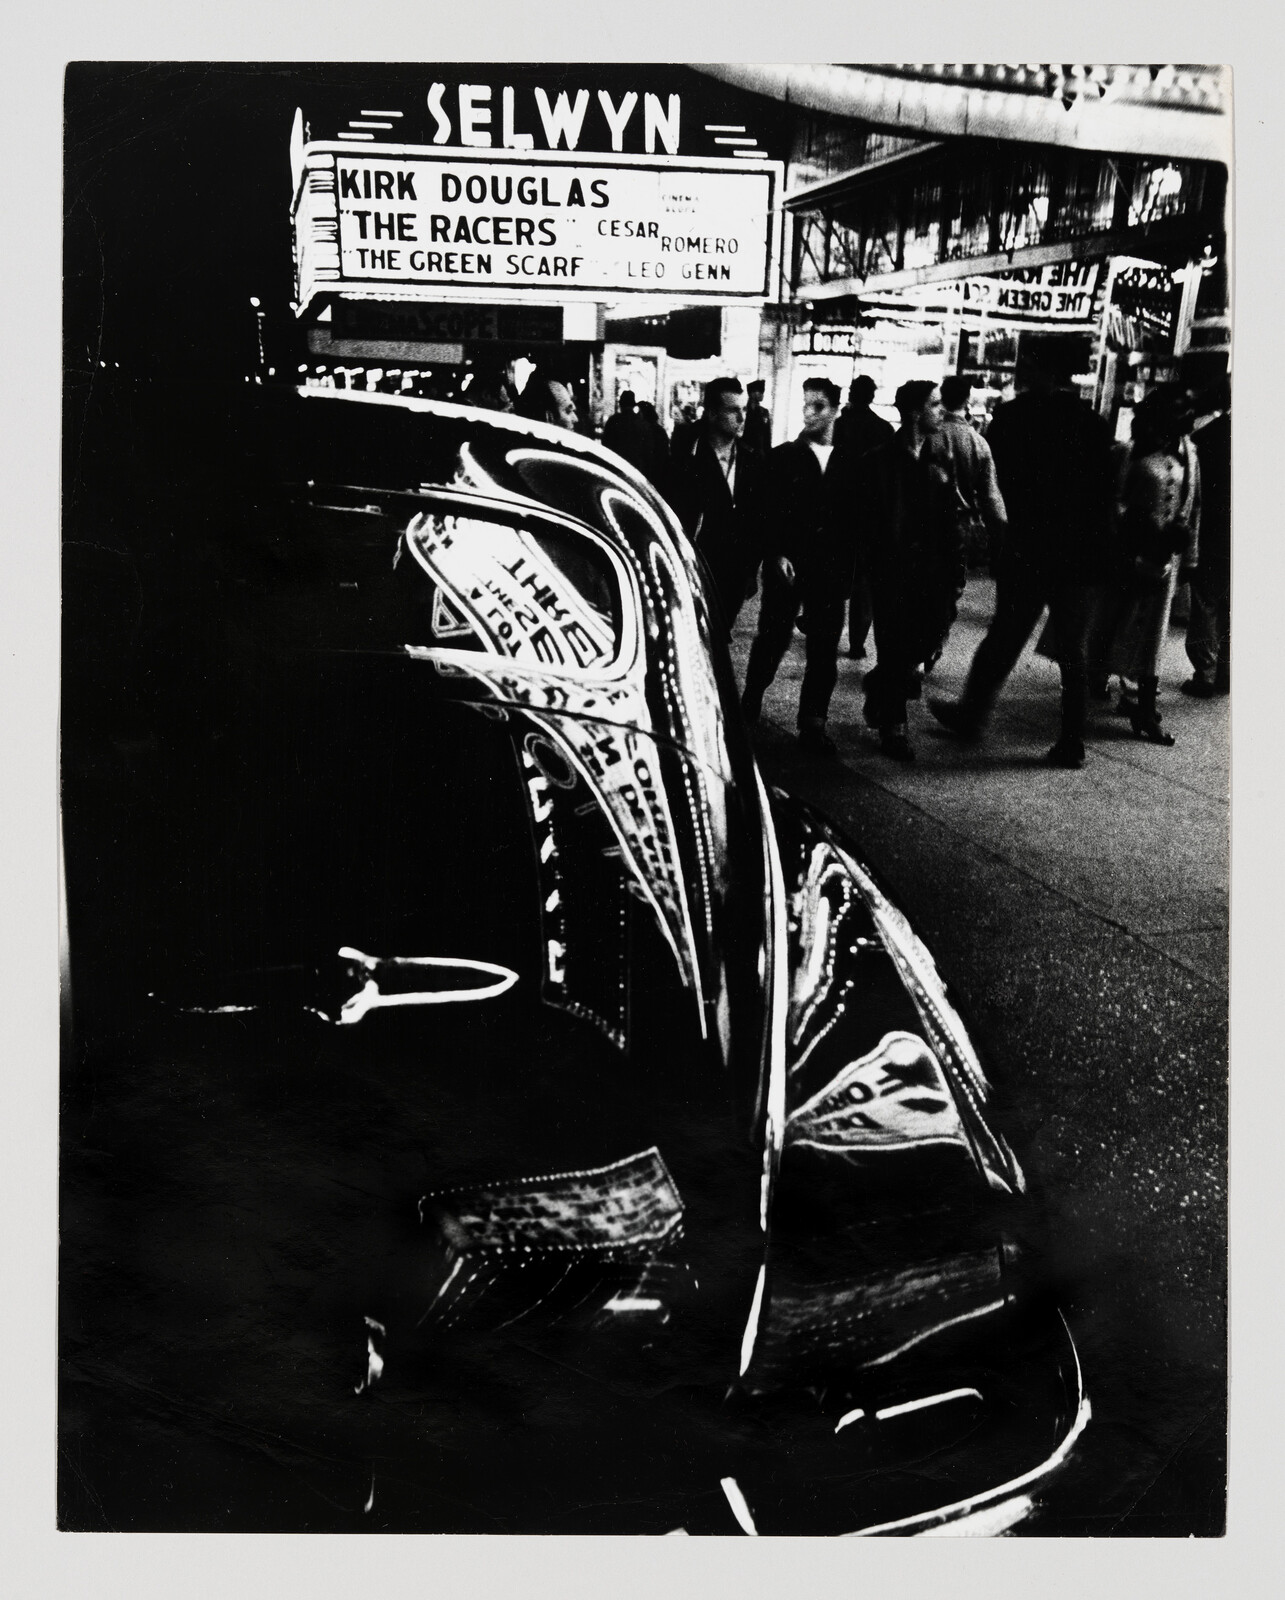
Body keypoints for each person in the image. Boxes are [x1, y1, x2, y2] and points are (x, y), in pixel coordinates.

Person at [928, 339, 1117, 769]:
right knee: (1074, 649)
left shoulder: (1012, 417)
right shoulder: (1093, 423)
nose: (1020, 368)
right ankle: (1071, 740)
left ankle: (971, 714)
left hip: (1030, 548)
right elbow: (1105, 495)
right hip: (1079, 555)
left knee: (1007, 633)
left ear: (1043, 369)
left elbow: (998, 486)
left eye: (1027, 362)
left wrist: (1000, 538)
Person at [740, 378, 854, 758]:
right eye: (806, 405)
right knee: (773, 635)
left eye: (818, 406)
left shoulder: (849, 461)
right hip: (791, 562)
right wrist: (775, 553)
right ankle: (751, 697)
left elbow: (857, 517)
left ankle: (813, 724)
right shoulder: (784, 456)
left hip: (830, 567)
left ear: (836, 409)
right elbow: (767, 512)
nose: (809, 413)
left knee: (824, 649)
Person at [1088, 385, 1201, 744]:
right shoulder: (1126, 453)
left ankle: (1143, 708)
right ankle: (1096, 677)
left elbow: (1191, 506)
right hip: (1127, 557)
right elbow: (1110, 504)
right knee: (1112, 624)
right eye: (1182, 410)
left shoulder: (1190, 456)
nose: (1189, 417)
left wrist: (1189, 554)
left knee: (1152, 635)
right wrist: (1131, 540)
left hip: (1165, 561)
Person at [855, 380, 959, 763]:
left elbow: (951, 521)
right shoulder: (879, 460)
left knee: (923, 642)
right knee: (895, 644)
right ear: (915, 412)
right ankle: (893, 727)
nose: (942, 410)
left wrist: (954, 571)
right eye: (935, 404)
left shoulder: (940, 457)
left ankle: (879, 686)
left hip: (931, 571)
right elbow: (867, 520)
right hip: (893, 570)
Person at [666, 377, 770, 633]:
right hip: (698, 570)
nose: (742, 417)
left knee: (721, 635)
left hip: (735, 575)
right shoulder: (685, 461)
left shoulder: (750, 461)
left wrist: (750, 569)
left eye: (743, 409)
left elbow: (758, 517)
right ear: (712, 414)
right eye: (733, 410)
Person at [834, 375, 896, 659]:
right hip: (872, 514)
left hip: (839, 510)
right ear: (872, 396)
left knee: (832, 571)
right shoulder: (884, 429)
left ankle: (820, 624)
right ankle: (857, 643)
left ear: (851, 394)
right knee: (863, 581)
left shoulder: (838, 425)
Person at [1182, 379, 1230, 698]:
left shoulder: (1206, 438)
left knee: (1206, 603)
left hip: (1214, 533)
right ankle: (1227, 672)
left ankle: (1206, 673)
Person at [743, 379, 773, 457]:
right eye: (760, 392)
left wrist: (768, 454)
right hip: (745, 454)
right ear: (752, 393)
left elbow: (767, 436)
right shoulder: (743, 411)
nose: (762, 395)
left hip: (761, 455)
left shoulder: (764, 412)